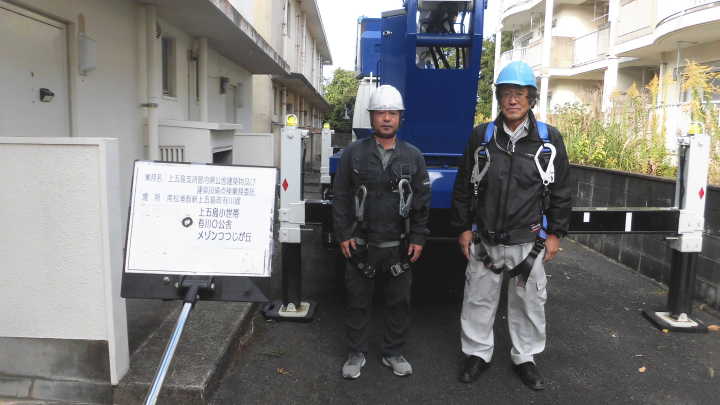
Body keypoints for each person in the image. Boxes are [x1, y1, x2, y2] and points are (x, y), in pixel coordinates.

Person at [451, 61, 571, 390]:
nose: (513, 100)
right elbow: (463, 185)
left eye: (519, 93)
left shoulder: (548, 140)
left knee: (529, 303)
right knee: (478, 299)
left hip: (527, 239)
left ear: (531, 98)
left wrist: (556, 233)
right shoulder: (482, 137)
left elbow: (562, 189)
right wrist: (463, 227)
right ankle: (477, 353)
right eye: (506, 94)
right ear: (499, 99)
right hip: (485, 237)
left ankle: (525, 357)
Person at [332, 84, 431, 380]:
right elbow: (340, 196)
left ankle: (393, 352)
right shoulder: (353, 154)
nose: (386, 118)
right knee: (357, 301)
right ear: (371, 117)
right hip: (361, 244)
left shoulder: (413, 157)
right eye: (380, 113)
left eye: (392, 113)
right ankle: (356, 352)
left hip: (398, 245)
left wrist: (418, 237)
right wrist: (343, 234)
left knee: (399, 302)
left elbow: (422, 201)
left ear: (400, 117)